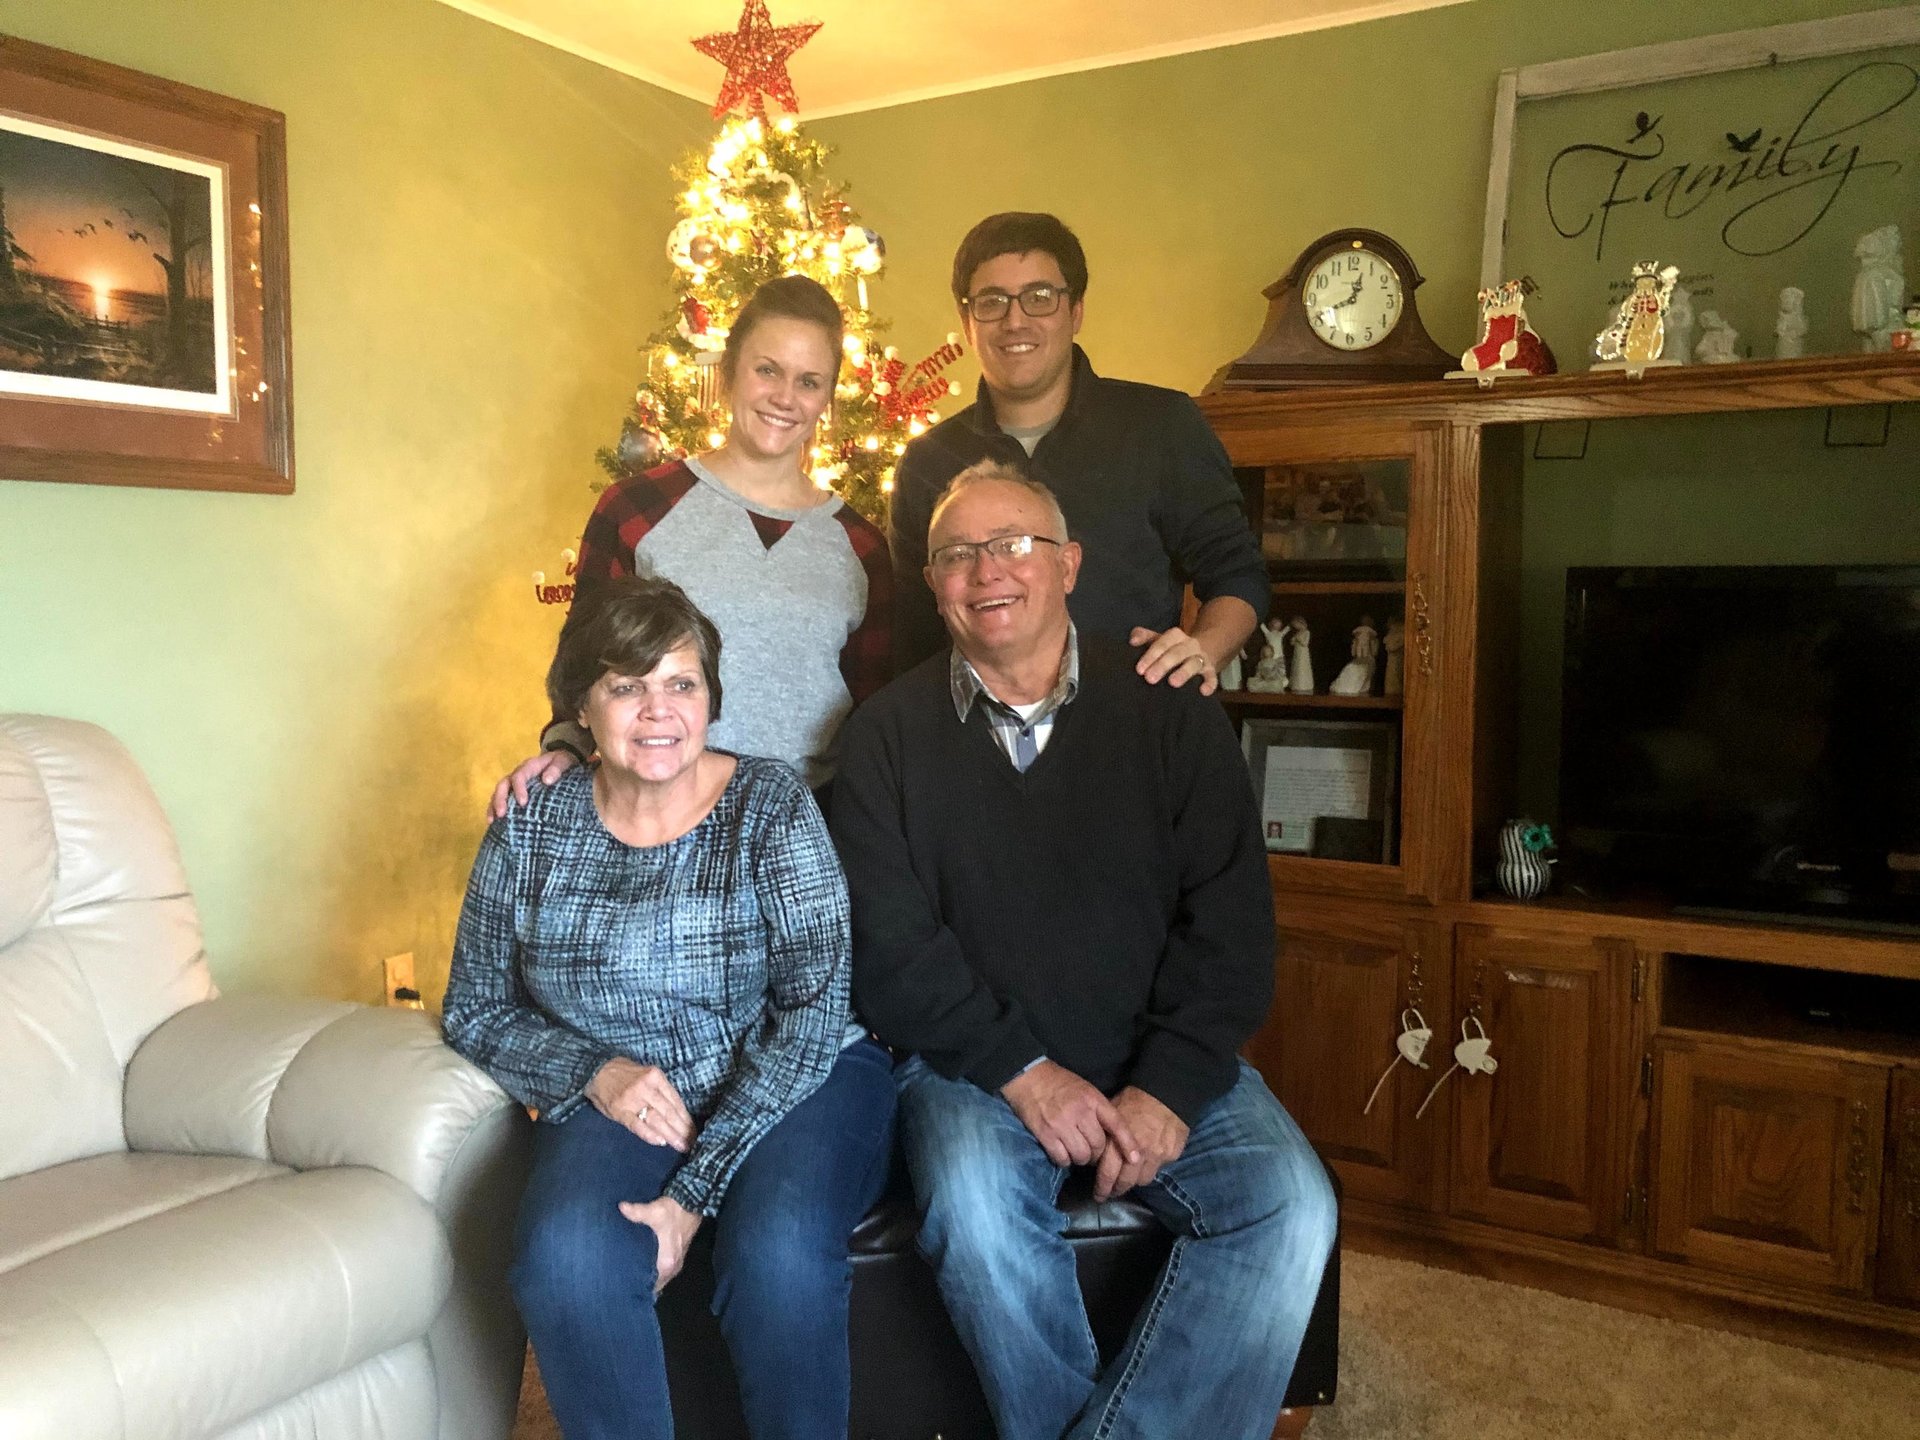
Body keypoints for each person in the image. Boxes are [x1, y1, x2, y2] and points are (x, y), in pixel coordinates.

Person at [831, 462, 1337, 1440]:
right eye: (958, 554)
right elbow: (890, 948)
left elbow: (1232, 934)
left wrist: (1169, 1087)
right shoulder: (884, 738)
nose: (989, 571)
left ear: (1068, 563)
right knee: (975, 1218)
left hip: (1158, 1050)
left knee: (1290, 1208)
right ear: (934, 584)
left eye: (1014, 543)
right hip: (973, 1069)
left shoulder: (1171, 709)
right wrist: (1023, 1072)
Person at [446, 576, 895, 1440]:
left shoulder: (771, 809)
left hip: (801, 1077)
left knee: (779, 1258)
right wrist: (593, 1070)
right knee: (565, 1263)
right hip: (624, 1092)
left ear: (711, 699)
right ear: (580, 705)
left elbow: (809, 1018)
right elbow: (473, 1008)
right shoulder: (530, 825)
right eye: (626, 685)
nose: (658, 710)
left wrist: (691, 1196)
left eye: (681, 683)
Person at [493, 274, 890, 815]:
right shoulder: (636, 511)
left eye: (809, 381)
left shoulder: (860, 546)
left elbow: (875, 709)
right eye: (767, 370)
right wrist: (565, 747)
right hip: (653, 811)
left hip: (812, 824)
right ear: (728, 372)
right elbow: (582, 665)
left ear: (827, 397)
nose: (784, 398)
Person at [888, 212, 1266, 693]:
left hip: (1129, 724)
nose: (1015, 319)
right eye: (991, 302)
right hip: (978, 743)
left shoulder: (1160, 425)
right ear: (967, 322)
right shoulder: (927, 461)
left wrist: (1204, 651)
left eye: (1040, 297)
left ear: (1076, 311)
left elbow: (1237, 573)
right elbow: (913, 632)